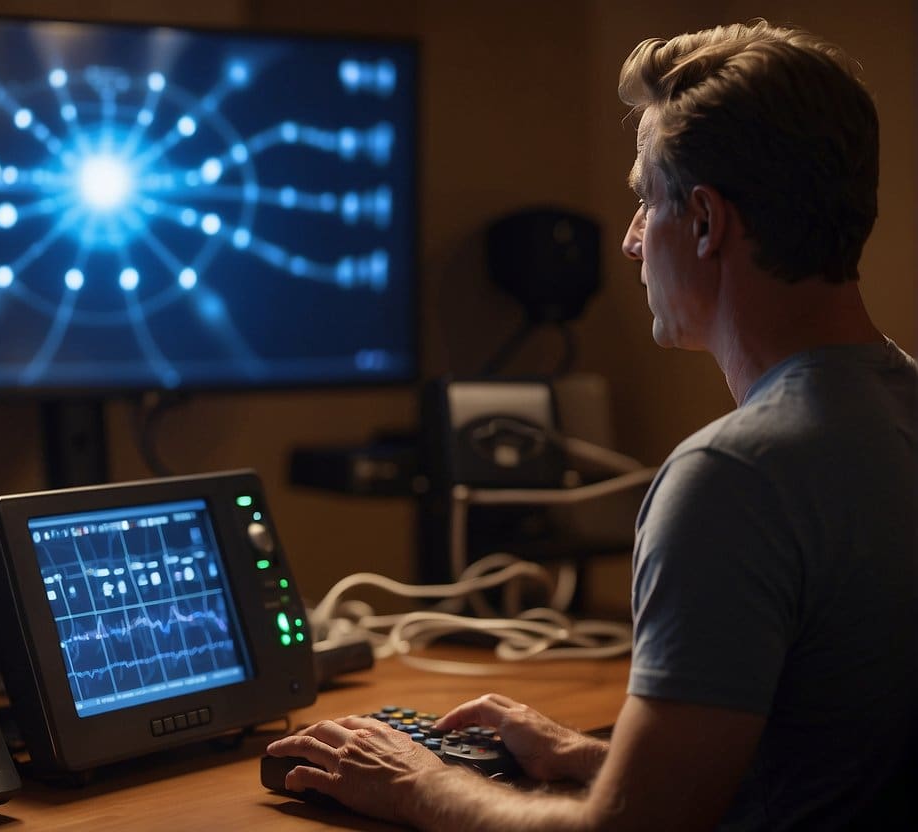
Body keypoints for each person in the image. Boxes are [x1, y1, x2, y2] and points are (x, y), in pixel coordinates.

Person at [265, 20, 918, 831]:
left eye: (646, 199)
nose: (631, 241)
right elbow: (824, 761)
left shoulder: (735, 478)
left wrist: (413, 784)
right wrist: (588, 756)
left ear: (706, 222)